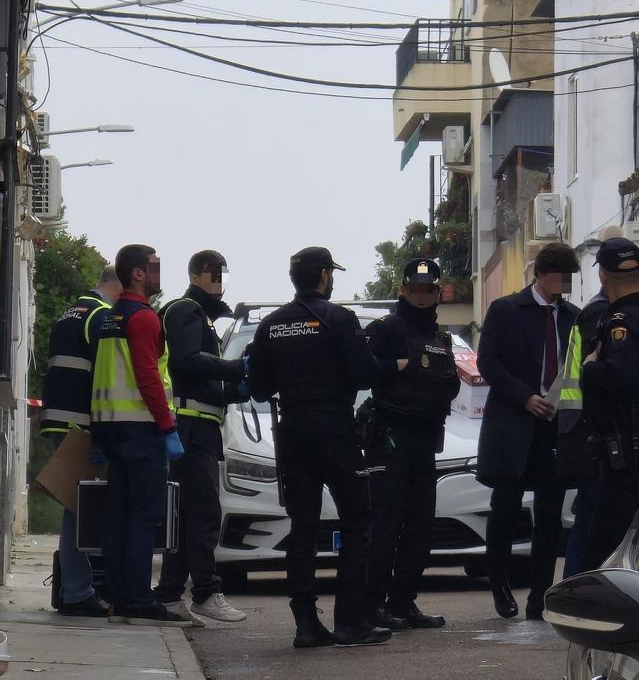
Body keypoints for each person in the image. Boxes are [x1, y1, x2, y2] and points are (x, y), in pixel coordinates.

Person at [247, 247, 403, 649]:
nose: (332, 279)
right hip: (335, 429)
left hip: (293, 431)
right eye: (330, 273)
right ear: (322, 276)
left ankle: (306, 625)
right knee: (357, 520)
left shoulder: (271, 325)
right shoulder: (339, 319)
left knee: (302, 528)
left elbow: (260, 388)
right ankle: (351, 622)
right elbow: (366, 374)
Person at [476, 242, 581, 621]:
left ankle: (539, 595)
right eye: (558, 277)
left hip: (554, 429)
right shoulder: (505, 311)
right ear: (541, 274)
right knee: (504, 510)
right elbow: (488, 362)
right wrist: (525, 398)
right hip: (513, 426)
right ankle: (500, 585)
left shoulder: (573, 317)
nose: (563, 285)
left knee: (550, 515)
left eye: (569, 278)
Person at [90, 245, 190, 627]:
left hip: (111, 430)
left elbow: (102, 374)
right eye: (154, 267)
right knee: (144, 517)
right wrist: (167, 427)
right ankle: (139, 598)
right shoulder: (146, 319)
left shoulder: (110, 317)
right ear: (137, 274)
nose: (158, 274)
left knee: (117, 517)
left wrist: (99, 436)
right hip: (141, 430)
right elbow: (148, 376)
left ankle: (118, 594)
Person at [363, 257, 460, 632]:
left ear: (438, 292)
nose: (422, 296)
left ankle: (403, 601)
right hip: (390, 436)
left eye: (429, 290)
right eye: (415, 289)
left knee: (420, 525)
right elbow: (364, 371)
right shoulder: (386, 329)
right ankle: (373, 604)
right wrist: (396, 367)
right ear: (402, 289)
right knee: (386, 523)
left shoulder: (441, 337)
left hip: (425, 438)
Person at [153, 250, 249, 626]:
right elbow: (186, 362)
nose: (217, 278)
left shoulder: (201, 316)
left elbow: (202, 381)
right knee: (204, 512)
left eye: (221, 272)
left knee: (188, 513)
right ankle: (206, 592)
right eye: (211, 272)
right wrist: (235, 367)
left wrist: (238, 390)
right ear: (194, 274)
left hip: (199, 426)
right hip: (190, 428)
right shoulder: (186, 311)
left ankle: (171, 593)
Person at [579, 238, 639, 571]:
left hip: (624, 446)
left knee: (608, 537)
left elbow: (620, 376)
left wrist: (590, 367)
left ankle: (597, 606)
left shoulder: (619, 322)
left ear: (604, 276)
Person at [39, 264, 122, 618]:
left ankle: (78, 588)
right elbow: (105, 373)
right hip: (81, 424)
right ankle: (77, 591)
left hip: (58, 418)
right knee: (82, 508)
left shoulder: (70, 311)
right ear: (116, 283)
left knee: (78, 505)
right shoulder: (102, 315)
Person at [554, 283, 608, 579]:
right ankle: (575, 591)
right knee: (590, 522)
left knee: (586, 521)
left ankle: (573, 589)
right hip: (592, 432)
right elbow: (593, 371)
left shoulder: (587, 313)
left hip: (582, 429)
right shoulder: (600, 314)